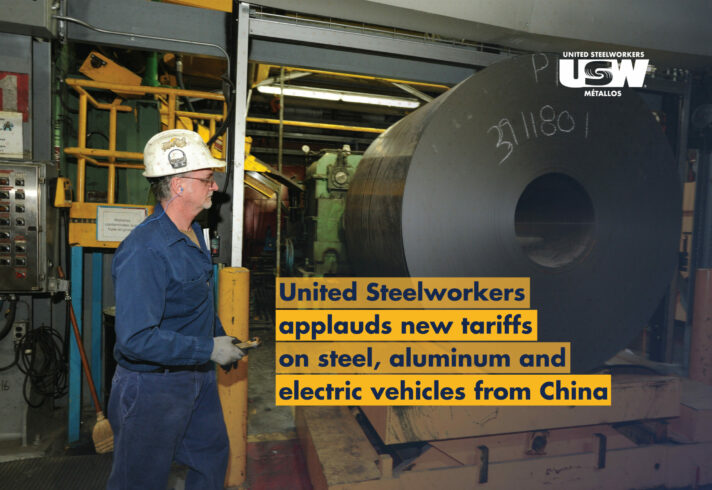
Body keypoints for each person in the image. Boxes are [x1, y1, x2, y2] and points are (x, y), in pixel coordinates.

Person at [107, 129, 244, 490]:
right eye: (207, 179)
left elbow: (196, 300)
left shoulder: (195, 233)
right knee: (139, 479)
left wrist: (217, 338)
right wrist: (208, 349)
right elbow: (136, 339)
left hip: (196, 377)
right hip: (151, 387)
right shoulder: (145, 250)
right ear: (180, 185)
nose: (214, 187)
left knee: (211, 459)